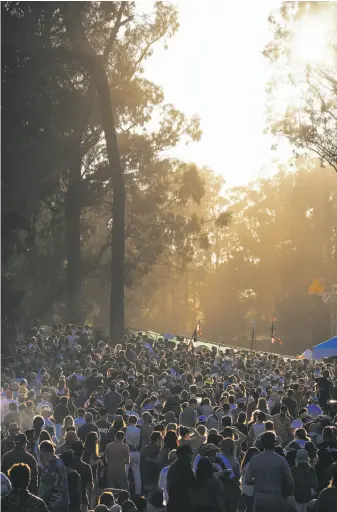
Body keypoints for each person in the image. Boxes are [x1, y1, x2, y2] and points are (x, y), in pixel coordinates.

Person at [245, 431, 294, 512]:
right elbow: (290, 481)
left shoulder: (255, 460)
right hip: (277, 498)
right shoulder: (281, 460)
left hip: (260, 498)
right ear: (275, 443)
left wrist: (258, 480)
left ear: (262, 443)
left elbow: (247, 480)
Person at [38, 440, 69, 512]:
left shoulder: (51, 465)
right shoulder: (59, 461)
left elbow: (47, 485)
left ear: (43, 452)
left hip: (53, 503)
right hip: (63, 501)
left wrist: (39, 499)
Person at [166, 444, 196, 512]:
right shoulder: (187, 469)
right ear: (188, 455)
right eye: (191, 454)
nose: (192, 456)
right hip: (184, 505)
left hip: (172, 504)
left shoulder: (172, 467)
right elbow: (191, 489)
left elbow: (168, 486)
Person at [71, 440, 94, 512]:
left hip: (68, 501)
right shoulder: (86, 467)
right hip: (82, 500)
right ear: (82, 452)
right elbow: (90, 487)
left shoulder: (66, 465)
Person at [140, 431, 162, 497]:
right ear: (158, 439)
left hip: (146, 477)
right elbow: (157, 462)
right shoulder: (156, 449)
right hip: (153, 477)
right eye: (161, 437)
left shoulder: (146, 447)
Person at [125, 415, 141, 495]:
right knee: (137, 474)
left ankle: (125, 492)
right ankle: (138, 492)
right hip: (136, 451)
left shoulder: (126, 429)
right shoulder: (138, 430)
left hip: (127, 452)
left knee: (125, 473)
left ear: (128, 421)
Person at [240, 447, 260, 512]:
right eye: (255, 455)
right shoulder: (249, 465)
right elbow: (248, 480)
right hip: (249, 493)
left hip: (247, 492)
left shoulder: (249, 465)